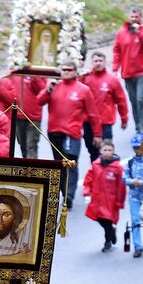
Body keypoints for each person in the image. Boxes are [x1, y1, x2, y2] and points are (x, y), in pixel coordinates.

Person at [42, 63, 99, 206]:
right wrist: (47, 90)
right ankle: (63, 190)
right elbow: (39, 102)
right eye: (64, 70)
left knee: (71, 162)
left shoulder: (83, 90)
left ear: (75, 72)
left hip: (72, 133)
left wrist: (97, 134)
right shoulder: (54, 87)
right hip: (54, 132)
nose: (66, 72)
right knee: (59, 164)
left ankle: (69, 195)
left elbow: (93, 114)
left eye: (69, 70)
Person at [79, 51, 130, 162]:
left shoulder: (112, 80)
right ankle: (95, 172)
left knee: (105, 151)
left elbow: (121, 100)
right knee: (91, 150)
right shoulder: (85, 78)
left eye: (100, 61)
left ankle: (108, 170)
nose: (98, 63)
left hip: (105, 122)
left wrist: (124, 118)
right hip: (88, 122)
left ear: (105, 62)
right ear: (91, 62)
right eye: (96, 61)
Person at [113, 8, 143, 135]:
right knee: (133, 100)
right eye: (132, 17)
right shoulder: (121, 33)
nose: (134, 19)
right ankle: (138, 127)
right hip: (128, 72)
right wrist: (115, 68)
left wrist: (139, 33)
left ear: (140, 18)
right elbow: (117, 51)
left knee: (141, 98)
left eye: (136, 17)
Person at [83, 139, 127, 252]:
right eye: (105, 150)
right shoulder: (95, 165)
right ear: (101, 151)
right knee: (99, 219)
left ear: (113, 151)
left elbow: (121, 186)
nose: (107, 152)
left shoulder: (118, 168)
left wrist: (120, 201)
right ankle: (111, 231)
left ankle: (108, 241)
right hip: (97, 200)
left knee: (107, 221)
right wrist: (87, 193)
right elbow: (88, 179)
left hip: (110, 201)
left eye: (109, 150)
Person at [0, 67, 47, 159]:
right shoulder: (14, 71)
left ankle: (31, 171)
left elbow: (42, 89)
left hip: (33, 117)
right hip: (17, 115)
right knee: (23, 147)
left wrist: (34, 75)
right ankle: (25, 169)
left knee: (31, 146)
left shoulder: (35, 72)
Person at [123, 133, 143, 258]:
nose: (138, 150)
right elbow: (124, 178)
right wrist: (132, 182)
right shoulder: (129, 162)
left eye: (140, 147)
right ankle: (137, 247)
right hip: (134, 197)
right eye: (135, 148)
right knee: (135, 220)